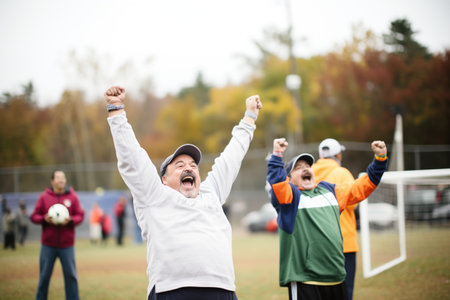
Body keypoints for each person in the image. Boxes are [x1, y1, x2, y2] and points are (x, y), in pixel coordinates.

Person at [104, 85, 262, 300]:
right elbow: (132, 158)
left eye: (193, 165)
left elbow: (231, 157)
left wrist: (250, 117)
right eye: (179, 165)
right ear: (163, 180)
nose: (188, 167)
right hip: (173, 290)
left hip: (222, 289)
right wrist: (116, 110)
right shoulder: (154, 196)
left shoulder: (211, 193)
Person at [267, 138, 387, 300]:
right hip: (306, 280)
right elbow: (277, 182)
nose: (306, 169)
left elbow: (361, 188)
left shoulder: (329, 191)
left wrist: (379, 161)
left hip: (336, 277)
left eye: (308, 166)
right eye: (298, 168)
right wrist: (277, 154)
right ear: (290, 179)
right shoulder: (290, 199)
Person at [312, 138, 357, 300]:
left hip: (317, 245)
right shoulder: (342, 173)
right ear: (337, 154)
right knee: (344, 292)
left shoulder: (308, 173)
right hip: (343, 244)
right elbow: (352, 203)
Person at [30, 169, 85, 300]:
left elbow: (80, 215)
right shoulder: (44, 197)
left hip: (67, 246)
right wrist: (44, 218)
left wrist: (71, 220)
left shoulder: (72, 196)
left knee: (71, 276)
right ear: (52, 181)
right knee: (44, 276)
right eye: (58, 178)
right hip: (48, 245)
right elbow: (34, 216)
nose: (61, 180)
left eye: (63, 178)